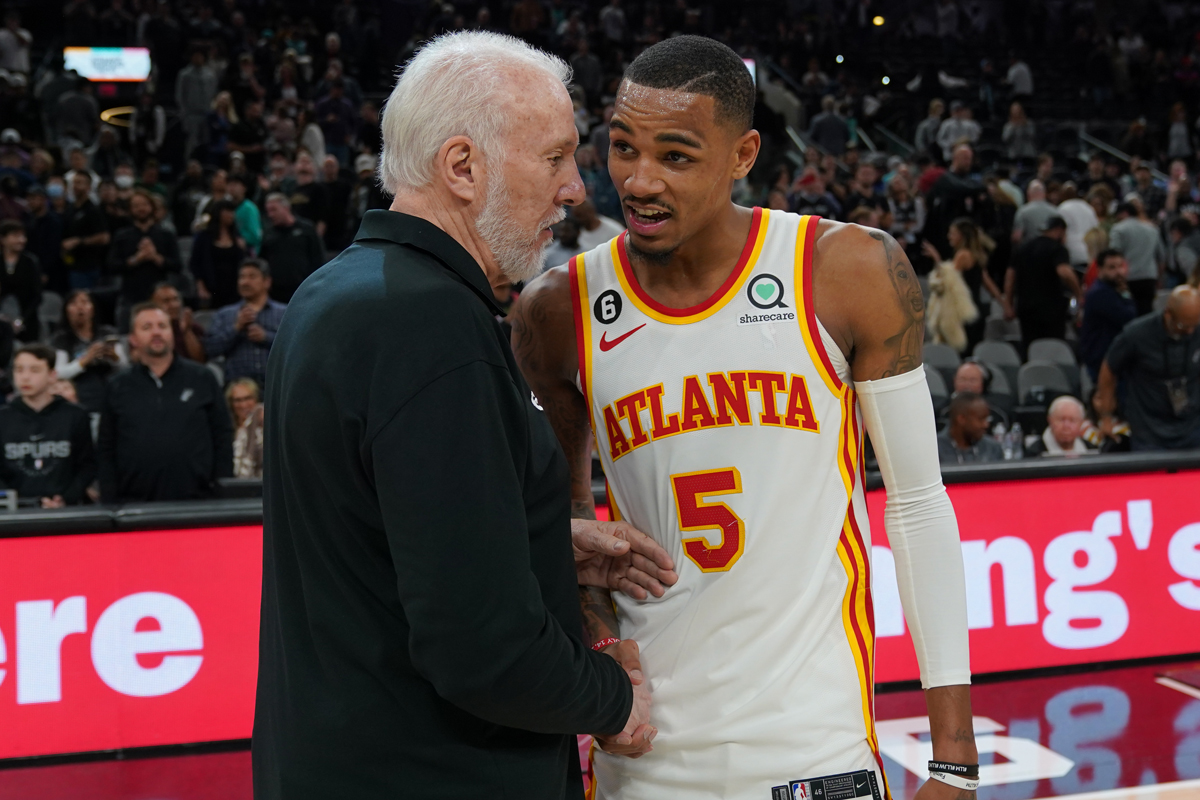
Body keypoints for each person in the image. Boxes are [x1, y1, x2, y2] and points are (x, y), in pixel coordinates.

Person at [513, 34, 975, 800]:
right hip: (647, 754)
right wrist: (601, 647)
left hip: (816, 748)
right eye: (623, 148)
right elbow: (564, 523)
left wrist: (953, 758)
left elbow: (920, 506)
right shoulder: (556, 310)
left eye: (676, 155)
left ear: (743, 154)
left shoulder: (847, 269)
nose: (639, 180)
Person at [254, 32, 675, 800]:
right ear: (461, 167)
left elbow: (374, 537)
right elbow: (482, 648)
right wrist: (612, 698)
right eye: (554, 158)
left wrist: (534, 543)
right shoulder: (431, 326)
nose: (575, 189)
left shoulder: (333, 292)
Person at [97, 303, 232, 502]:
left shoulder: (202, 378)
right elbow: (106, 447)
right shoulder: (117, 386)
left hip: (198, 501)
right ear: (133, 338)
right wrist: (109, 499)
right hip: (133, 504)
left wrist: (222, 489)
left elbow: (222, 436)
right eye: (147, 327)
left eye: (162, 326)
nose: (156, 332)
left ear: (172, 332)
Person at [1094, 285, 1200, 451]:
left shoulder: (1195, 329)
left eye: (1194, 325)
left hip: (1192, 427)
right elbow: (1109, 369)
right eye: (1183, 326)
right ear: (1168, 313)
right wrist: (1106, 417)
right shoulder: (1136, 334)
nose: (1189, 331)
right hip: (1148, 431)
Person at [0, 344, 96, 506]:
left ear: (52, 375)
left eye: (35, 370)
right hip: (16, 511)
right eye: (19, 370)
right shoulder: (3, 418)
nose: (25, 377)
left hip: (66, 509)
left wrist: (66, 498)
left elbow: (88, 465)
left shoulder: (75, 415)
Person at [1004, 216, 1081, 354]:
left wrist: (1008, 304)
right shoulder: (1057, 249)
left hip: (1025, 308)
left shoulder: (1023, 248)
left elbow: (1010, 277)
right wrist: (1079, 293)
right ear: (1059, 230)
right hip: (1051, 309)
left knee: (1030, 347)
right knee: (1053, 348)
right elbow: (1064, 272)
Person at [204, 259, 285, 389]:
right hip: (238, 390)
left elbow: (295, 346)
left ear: (267, 282)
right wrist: (236, 328)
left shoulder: (284, 313)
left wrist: (266, 337)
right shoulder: (225, 314)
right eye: (242, 277)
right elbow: (210, 349)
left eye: (252, 277)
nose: (245, 282)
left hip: (275, 387)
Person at [51, 289, 126, 414]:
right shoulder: (61, 339)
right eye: (74, 303)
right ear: (66, 310)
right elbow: (58, 373)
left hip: (110, 394)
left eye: (85, 302)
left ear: (93, 308)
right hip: (79, 397)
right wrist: (86, 359)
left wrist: (114, 357)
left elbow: (125, 367)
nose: (80, 307)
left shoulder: (107, 333)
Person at [107, 188, 182, 308]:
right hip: (130, 295)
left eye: (144, 204)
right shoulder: (122, 235)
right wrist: (136, 259)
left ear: (152, 207)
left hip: (160, 295)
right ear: (130, 209)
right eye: (136, 206)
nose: (141, 209)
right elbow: (112, 266)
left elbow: (177, 266)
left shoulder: (166, 234)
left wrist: (155, 257)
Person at [1079, 248, 1137, 382]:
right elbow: (1128, 317)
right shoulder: (1101, 293)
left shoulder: (1112, 290)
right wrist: (1126, 294)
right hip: (1102, 362)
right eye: (1112, 267)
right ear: (1100, 270)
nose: (1118, 272)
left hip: (1111, 359)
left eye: (1120, 266)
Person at [259, 192, 324, 303]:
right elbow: (262, 261)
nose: (270, 215)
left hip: (303, 291)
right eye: (268, 211)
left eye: (274, 210)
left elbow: (318, 257)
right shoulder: (268, 234)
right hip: (276, 294)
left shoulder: (306, 229)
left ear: (286, 208)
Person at [1108, 201, 1164, 316]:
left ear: (1124, 213)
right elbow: (1161, 257)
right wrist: (1159, 278)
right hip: (1149, 278)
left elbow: (1113, 254)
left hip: (1128, 279)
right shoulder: (1152, 229)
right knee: (1146, 314)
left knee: (1128, 314)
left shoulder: (1118, 229)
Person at [190, 199, 245, 308]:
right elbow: (195, 264)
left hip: (233, 288)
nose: (231, 215)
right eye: (228, 211)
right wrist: (201, 287)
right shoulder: (204, 237)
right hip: (212, 287)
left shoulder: (236, 238)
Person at [61, 171, 110, 289]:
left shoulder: (93, 210)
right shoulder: (70, 209)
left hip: (88, 267)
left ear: (88, 187)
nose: (75, 186)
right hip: (71, 264)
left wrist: (79, 241)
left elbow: (104, 237)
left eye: (79, 183)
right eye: (74, 183)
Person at [0, 219, 42, 341]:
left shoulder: (30, 262)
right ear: (3, 239)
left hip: (27, 321)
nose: (21, 240)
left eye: (23, 236)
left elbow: (37, 295)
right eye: (15, 236)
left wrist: (20, 320)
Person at [937, 391, 1004, 464]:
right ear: (961, 419)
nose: (986, 425)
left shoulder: (993, 448)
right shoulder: (936, 449)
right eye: (981, 419)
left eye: (987, 419)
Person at [151, 282, 206, 363]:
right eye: (166, 301)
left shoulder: (193, 328)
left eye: (176, 299)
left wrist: (187, 331)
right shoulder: (148, 331)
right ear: (153, 305)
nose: (174, 305)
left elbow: (200, 361)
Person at [1025, 396, 1095, 457]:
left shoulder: (1092, 450)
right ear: (1050, 420)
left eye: (1072, 420)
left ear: (1081, 423)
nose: (1066, 426)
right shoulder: (1034, 454)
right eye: (1061, 419)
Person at [1056, 182, 1100, 273]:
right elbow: (1097, 230)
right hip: (1090, 253)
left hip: (1073, 254)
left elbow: (1060, 233)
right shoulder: (1088, 207)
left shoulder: (1062, 208)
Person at [226, 376, 264, 478]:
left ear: (256, 398)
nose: (243, 405)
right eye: (237, 400)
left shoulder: (263, 420)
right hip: (232, 481)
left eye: (248, 398)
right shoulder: (227, 427)